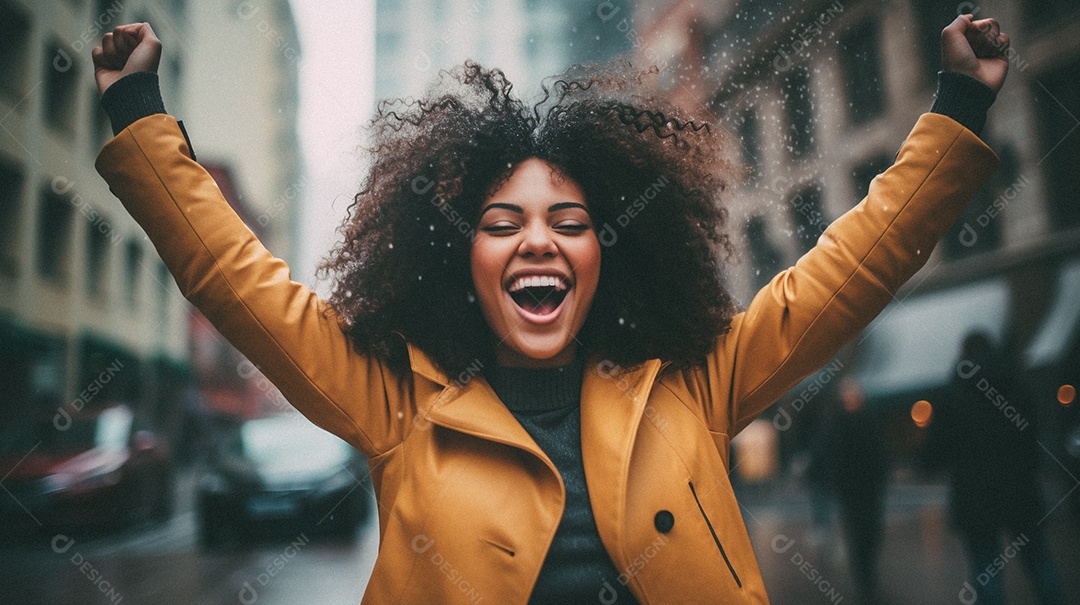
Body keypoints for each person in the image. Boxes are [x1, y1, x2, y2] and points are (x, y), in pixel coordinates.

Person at [90, 14, 1009, 604]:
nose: (538, 241)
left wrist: (960, 106)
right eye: (503, 224)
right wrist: (138, 110)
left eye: (570, 222)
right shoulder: (395, 403)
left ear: (609, 253)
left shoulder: (695, 383)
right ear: (465, 259)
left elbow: (851, 267)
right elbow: (239, 282)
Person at [925, 332, 1066, 605]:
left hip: (975, 494)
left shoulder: (953, 392)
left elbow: (936, 450)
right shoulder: (1017, 383)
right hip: (1020, 488)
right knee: (1038, 560)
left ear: (963, 353)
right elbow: (1033, 434)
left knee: (986, 567)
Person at [811, 377, 889, 604]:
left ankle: (866, 574)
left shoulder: (855, 422)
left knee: (867, 531)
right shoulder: (849, 423)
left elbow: (877, 455)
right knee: (860, 531)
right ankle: (865, 576)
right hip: (857, 489)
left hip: (863, 488)